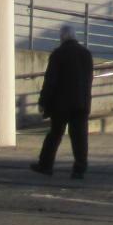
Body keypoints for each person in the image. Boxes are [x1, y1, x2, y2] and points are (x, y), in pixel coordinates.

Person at [30, 24, 93, 179]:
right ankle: (80, 168)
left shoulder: (58, 54)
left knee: (55, 134)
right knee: (80, 137)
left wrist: (43, 101)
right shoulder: (86, 54)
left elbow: (50, 80)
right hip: (82, 102)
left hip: (62, 104)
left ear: (62, 37)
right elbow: (88, 79)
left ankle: (46, 165)